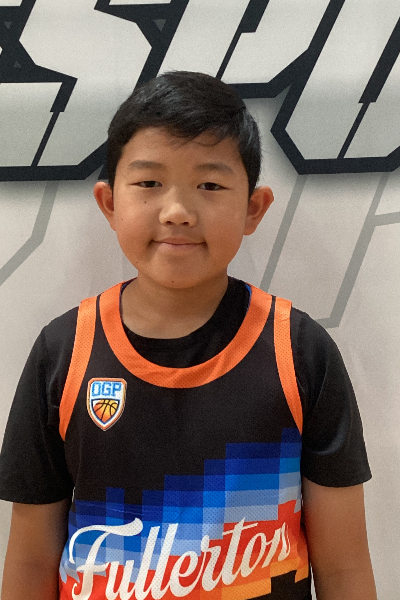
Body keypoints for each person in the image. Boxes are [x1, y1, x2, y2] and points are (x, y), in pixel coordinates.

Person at [0, 71, 376, 600]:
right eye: (149, 184)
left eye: (210, 185)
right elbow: (30, 560)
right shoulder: (63, 352)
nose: (177, 212)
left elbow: (344, 568)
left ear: (253, 208)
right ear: (109, 203)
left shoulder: (299, 352)